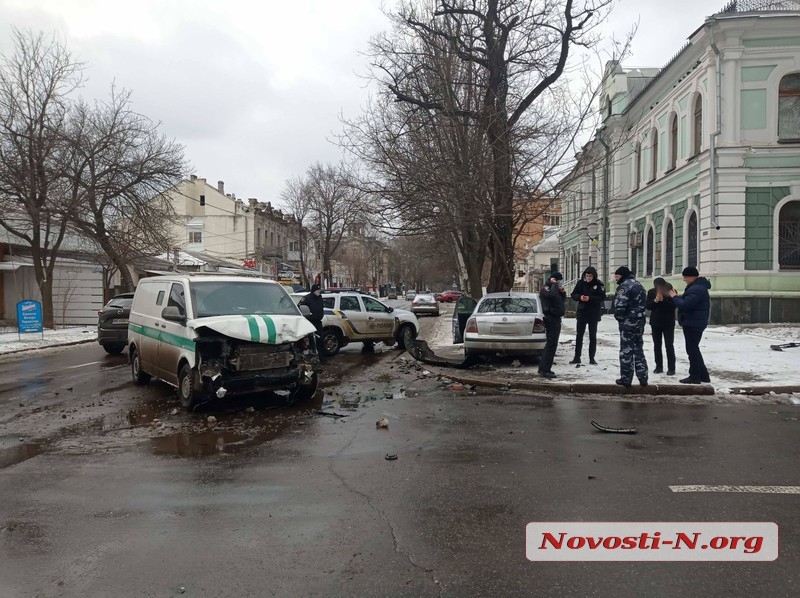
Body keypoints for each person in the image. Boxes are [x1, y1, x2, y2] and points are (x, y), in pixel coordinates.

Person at [669, 266, 711, 384]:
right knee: (694, 349)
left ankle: (695, 376)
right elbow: (690, 300)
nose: (684, 280)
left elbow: (686, 305)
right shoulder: (698, 287)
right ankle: (703, 375)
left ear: (691, 277)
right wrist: (679, 297)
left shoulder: (696, 288)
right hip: (695, 322)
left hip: (693, 323)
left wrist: (675, 298)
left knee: (692, 350)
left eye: (685, 277)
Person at [612, 266, 648, 387]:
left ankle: (626, 379)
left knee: (626, 351)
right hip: (640, 321)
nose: (615, 279)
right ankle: (643, 377)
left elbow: (620, 306)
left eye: (617, 276)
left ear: (622, 276)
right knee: (638, 349)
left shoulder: (624, 286)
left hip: (628, 322)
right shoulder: (639, 285)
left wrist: (619, 318)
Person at [569, 266, 605, 365]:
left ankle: (591, 357)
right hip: (582, 312)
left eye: (590, 276)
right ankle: (577, 357)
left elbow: (602, 297)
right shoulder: (581, 283)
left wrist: (590, 298)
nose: (588, 278)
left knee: (592, 336)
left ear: (594, 276)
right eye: (587, 276)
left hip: (593, 313)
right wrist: (580, 297)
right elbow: (573, 294)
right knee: (579, 335)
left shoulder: (598, 284)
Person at [538, 271, 566, 379]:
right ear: (554, 279)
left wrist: (562, 293)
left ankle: (543, 367)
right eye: (559, 280)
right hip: (551, 318)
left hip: (555, 317)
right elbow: (553, 297)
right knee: (551, 344)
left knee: (551, 344)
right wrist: (554, 285)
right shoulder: (547, 288)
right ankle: (545, 369)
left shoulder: (553, 288)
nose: (561, 282)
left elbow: (560, 301)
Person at [646, 277, 677, 375]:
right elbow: (648, 306)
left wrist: (663, 299)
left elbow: (674, 306)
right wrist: (656, 300)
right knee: (657, 345)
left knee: (669, 345)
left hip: (668, 322)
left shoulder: (671, 291)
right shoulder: (651, 292)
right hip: (656, 322)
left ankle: (671, 368)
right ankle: (658, 366)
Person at [299, 283, 325, 354]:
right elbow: (300, 308)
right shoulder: (307, 298)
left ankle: (321, 356)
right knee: (310, 340)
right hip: (309, 322)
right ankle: (310, 355)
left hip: (318, 322)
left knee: (320, 339)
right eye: (318, 290)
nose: (319, 291)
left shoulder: (320, 298)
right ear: (314, 290)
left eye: (320, 290)